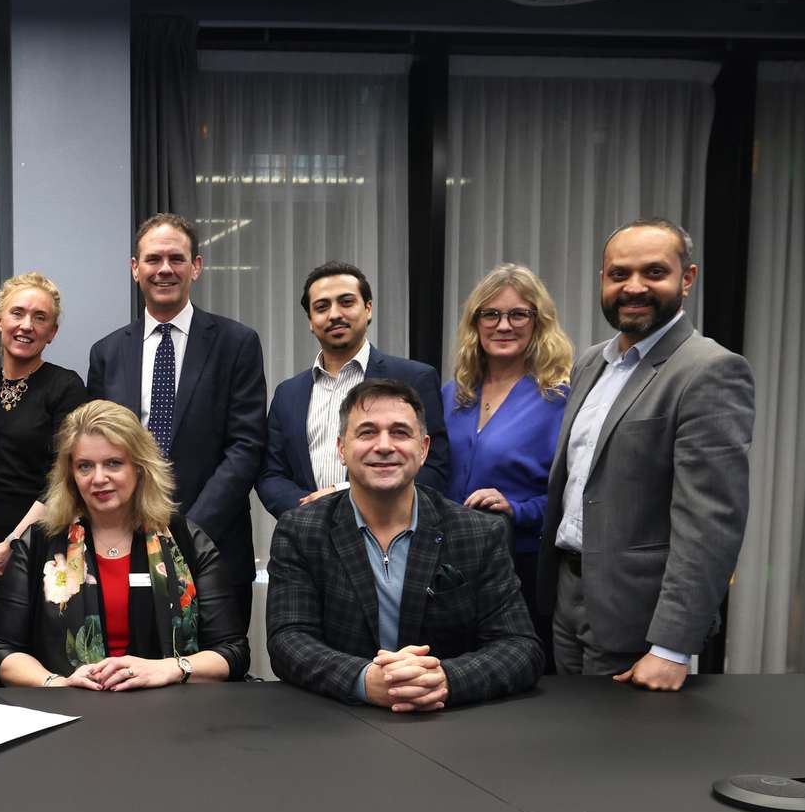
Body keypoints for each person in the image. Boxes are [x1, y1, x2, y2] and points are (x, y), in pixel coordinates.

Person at [540, 219, 755, 690]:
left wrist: (672, 645)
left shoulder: (710, 371)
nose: (633, 287)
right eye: (619, 274)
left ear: (687, 278)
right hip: (568, 598)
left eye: (653, 272)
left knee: (620, 759)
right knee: (565, 751)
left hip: (639, 620)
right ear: (602, 280)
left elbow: (711, 521)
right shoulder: (590, 363)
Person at [267, 379, 542, 710]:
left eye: (400, 432)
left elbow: (520, 646)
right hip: (338, 726)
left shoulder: (479, 532)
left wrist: (446, 679)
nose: (384, 445)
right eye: (367, 432)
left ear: (424, 448)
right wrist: (364, 679)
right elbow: (289, 640)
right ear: (341, 448)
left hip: (449, 729)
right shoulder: (301, 531)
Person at [0, 401, 249, 689]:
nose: (99, 479)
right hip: (69, 715)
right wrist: (56, 684)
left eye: (113, 463)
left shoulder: (185, 539)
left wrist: (170, 669)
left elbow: (232, 651)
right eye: (85, 466)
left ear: (139, 468)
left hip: (171, 715)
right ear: (71, 475)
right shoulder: (38, 543)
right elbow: (3, 651)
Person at [87, 213, 266, 622]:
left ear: (196, 267)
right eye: (152, 259)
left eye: (176, 258)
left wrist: (189, 531)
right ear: (135, 269)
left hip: (214, 545)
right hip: (123, 544)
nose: (164, 269)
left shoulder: (237, 343)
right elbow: (96, 450)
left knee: (216, 673)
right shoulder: (107, 352)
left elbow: (246, 447)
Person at [442, 264, 573, 664]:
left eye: (518, 314)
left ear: (538, 322)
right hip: (452, 566)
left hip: (524, 564)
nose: (504, 325)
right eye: (491, 314)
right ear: (475, 322)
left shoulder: (562, 397)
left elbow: (573, 490)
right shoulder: (453, 394)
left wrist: (517, 509)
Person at [0, 272, 88, 628]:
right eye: (17, 313)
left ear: (52, 332)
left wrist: (13, 545)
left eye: (40, 318)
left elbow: (61, 478)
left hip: (37, 549)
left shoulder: (65, 387)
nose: (27, 325)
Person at [257, 260, 450, 519]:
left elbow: (434, 467)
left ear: (368, 309)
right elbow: (271, 474)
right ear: (311, 322)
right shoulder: (288, 394)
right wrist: (309, 513)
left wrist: (343, 495)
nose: (335, 314)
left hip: (391, 532)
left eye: (346, 302)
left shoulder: (414, 378)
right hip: (310, 538)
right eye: (322, 307)